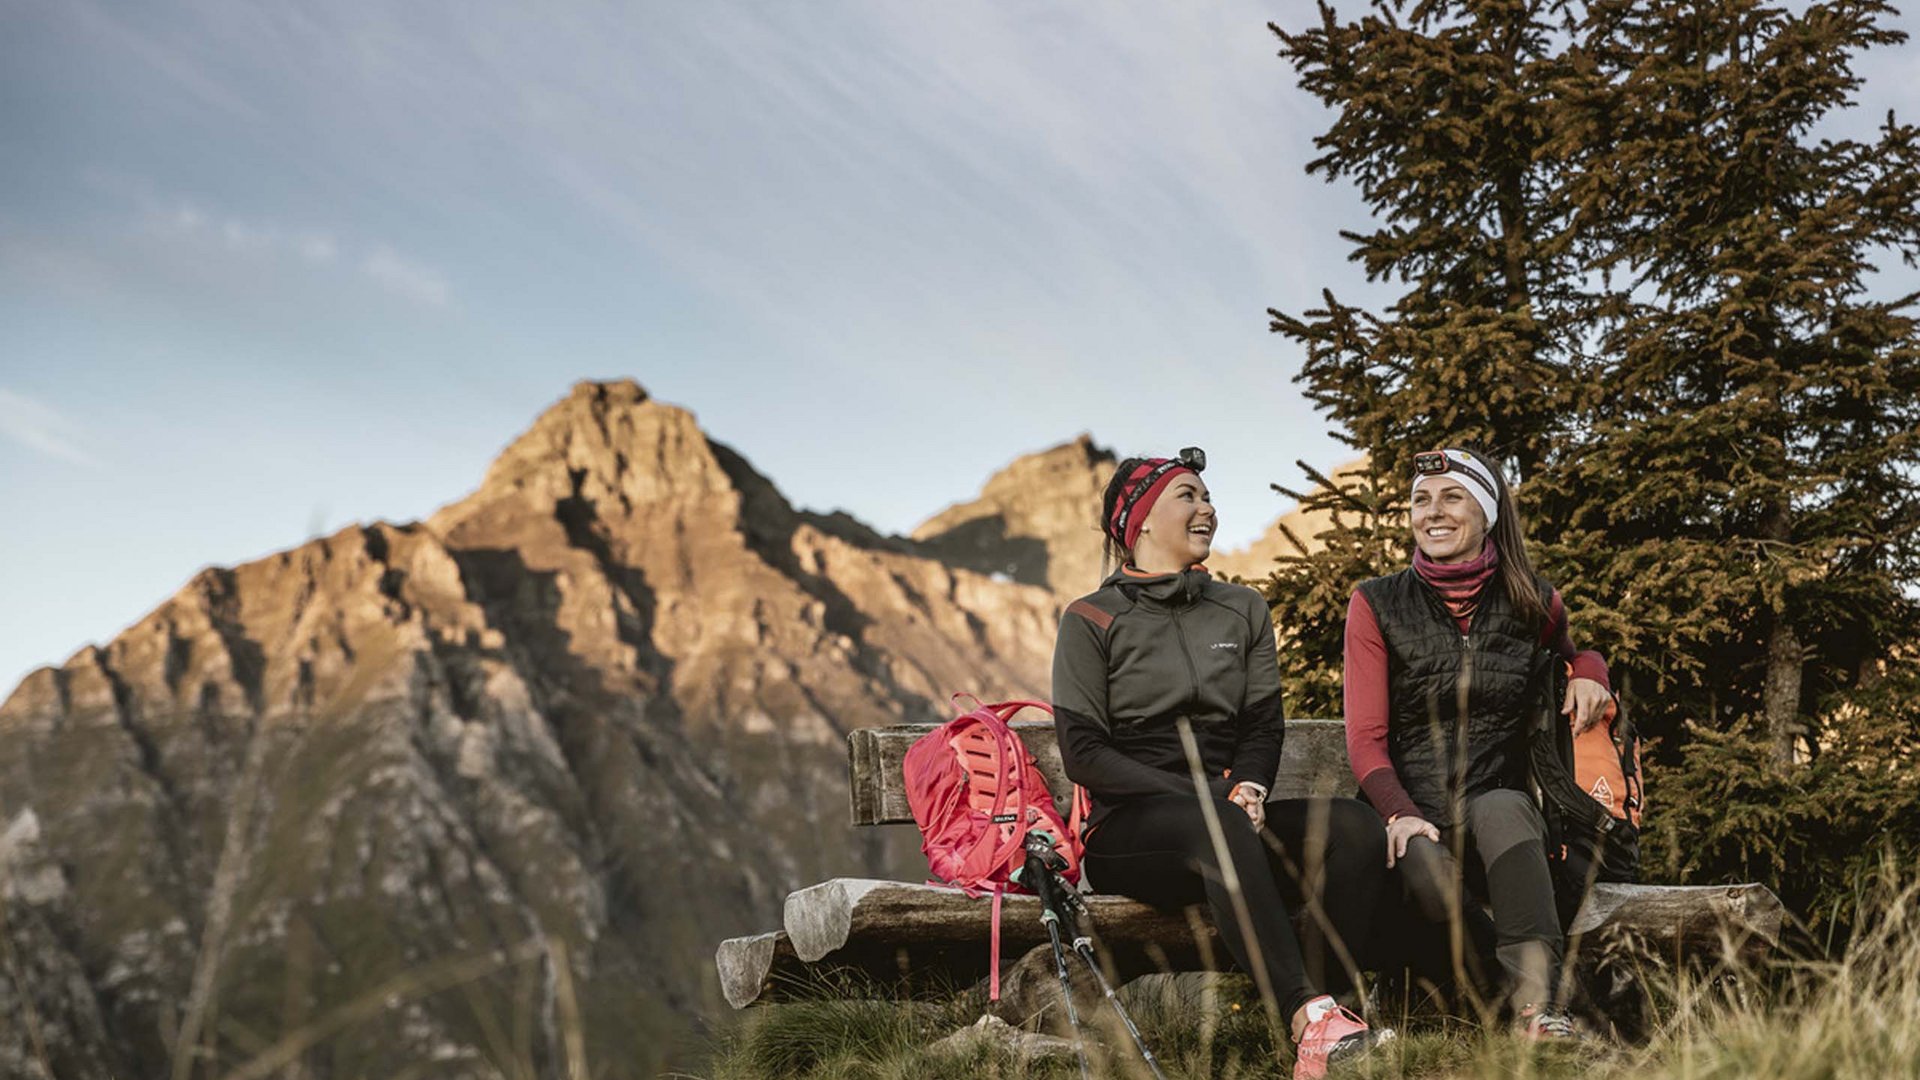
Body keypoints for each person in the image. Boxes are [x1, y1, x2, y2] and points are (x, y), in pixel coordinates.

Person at [1052, 447, 1393, 1080]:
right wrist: (1206, 796)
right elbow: (1084, 754)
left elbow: (1262, 726)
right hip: (1131, 833)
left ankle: (1329, 1022)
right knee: (1217, 824)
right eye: (1189, 496)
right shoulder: (1090, 618)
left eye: (1208, 496)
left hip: (1229, 819)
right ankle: (1304, 1014)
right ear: (1142, 520)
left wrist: (1250, 785)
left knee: (1353, 829)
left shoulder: (1243, 609)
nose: (1208, 507)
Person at [1343, 447, 1613, 1038]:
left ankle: (1539, 1006)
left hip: (1497, 817)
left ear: (1486, 512)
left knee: (1506, 809)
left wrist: (1592, 668)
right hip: (1409, 818)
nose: (1431, 512)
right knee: (1421, 861)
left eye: (1451, 497)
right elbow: (1364, 740)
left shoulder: (1533, 602)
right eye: (1420, 499)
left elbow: (1571, 656)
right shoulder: (1376, 603)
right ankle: (1507, 1006)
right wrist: (1399, 813)